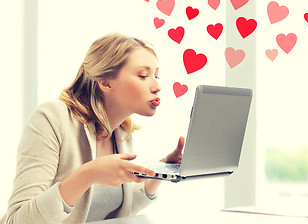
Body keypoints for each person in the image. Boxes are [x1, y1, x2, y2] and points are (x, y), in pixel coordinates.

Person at [0, 33, 184, 224]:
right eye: (143, 75)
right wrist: (88, 174)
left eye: (156, 75)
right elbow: (17, 220)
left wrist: (161, 171)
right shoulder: (51, 118)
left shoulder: (121, 133)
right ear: (105, 82)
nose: (157, 86)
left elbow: (112, 212)